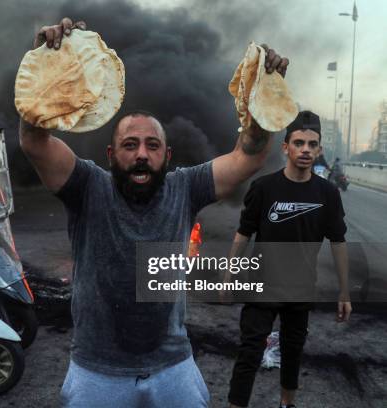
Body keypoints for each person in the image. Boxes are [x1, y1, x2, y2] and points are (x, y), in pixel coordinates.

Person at [19, 18, 290, 408]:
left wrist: (265, 96)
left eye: (152, 145)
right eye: (130, 145)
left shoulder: (184, 187)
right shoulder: (88, 186)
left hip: (171, 366)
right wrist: (45, 71)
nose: (141, 154)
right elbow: (34, 141)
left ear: (167, 156)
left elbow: (248, 156)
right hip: (97, 372)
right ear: (112, 155)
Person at [224, 111, 352, 408]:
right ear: (286, 147)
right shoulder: (264, 188)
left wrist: (344, 292)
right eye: (299, 143)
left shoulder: (328, 193)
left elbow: (338, 242)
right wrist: (229, 274)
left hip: (300, 289)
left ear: (319, 150)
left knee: (293, 352)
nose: (305, 149)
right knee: (249, 353)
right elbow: (243, 233)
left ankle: (286, 404)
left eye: (312, 144)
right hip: (261, 287)